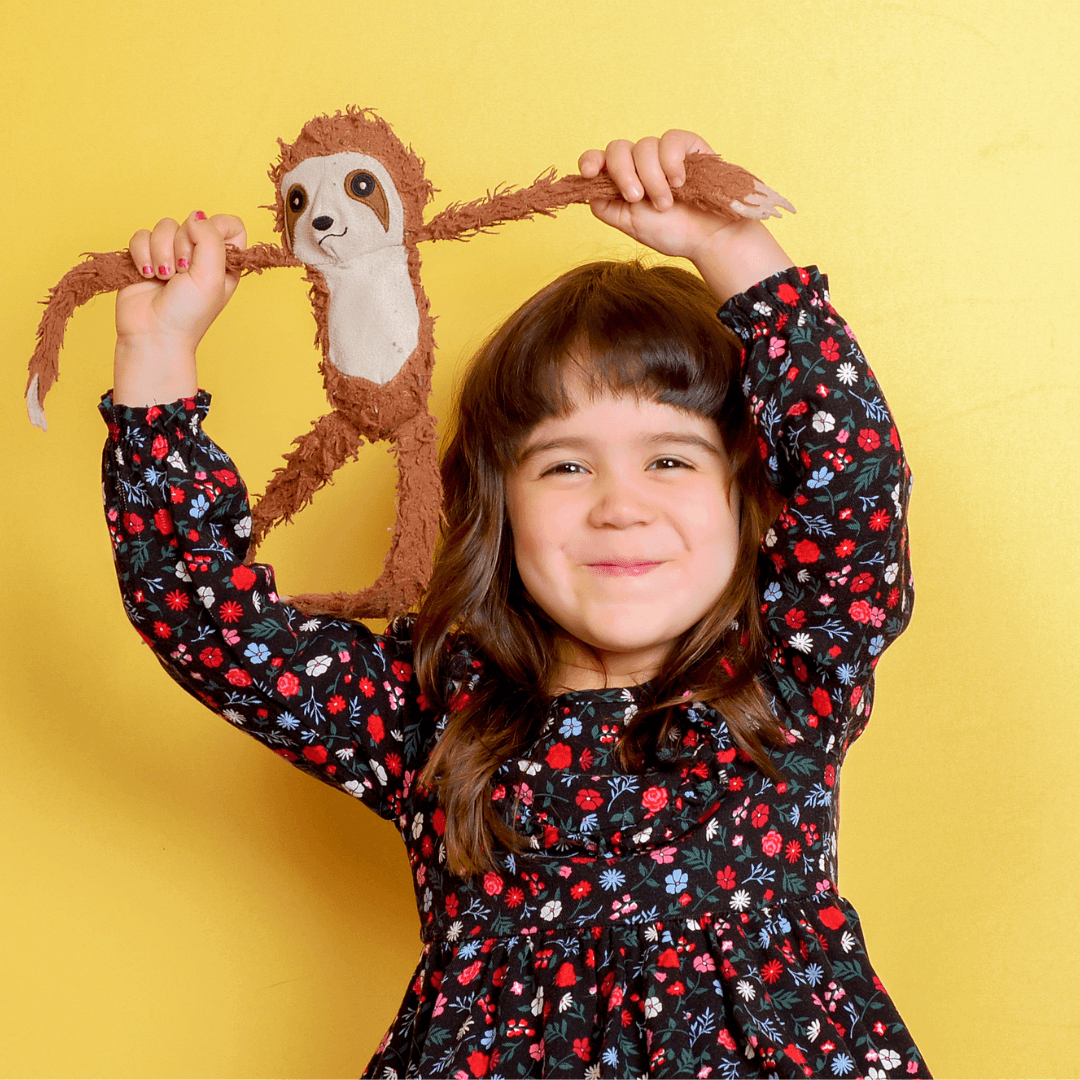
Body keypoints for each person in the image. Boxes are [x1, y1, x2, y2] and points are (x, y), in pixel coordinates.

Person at [101, 130, 928, 1078]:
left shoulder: (792, 677)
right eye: (566, 467)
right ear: (499, 509)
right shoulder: (434, 714)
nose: (620, 507)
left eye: (669, 459)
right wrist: (156, 353)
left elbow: (855, 486)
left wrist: (731, 247)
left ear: (746, 494)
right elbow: (205, 619)